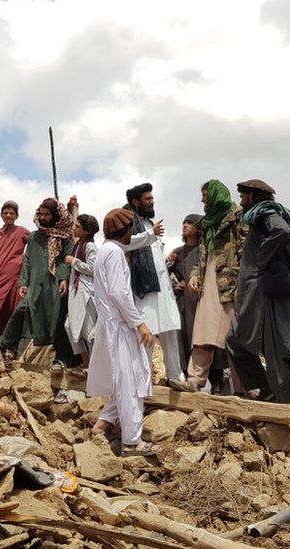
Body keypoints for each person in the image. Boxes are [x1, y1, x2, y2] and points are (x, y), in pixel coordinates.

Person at [225, 179, 290, 404]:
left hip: (268, 295)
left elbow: (282, 230)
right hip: (260, 294)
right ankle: (265, 389)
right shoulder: (260, 216)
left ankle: (285, 406)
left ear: (252, 197)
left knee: (276, 352)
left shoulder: (265, 212)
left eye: (243, 197)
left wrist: (261, 257)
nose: (241, 201)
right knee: (234, 339)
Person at [88, 208, 159, 457]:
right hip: (120, 325)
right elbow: (119, 292)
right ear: (126, 231)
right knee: (131, 382)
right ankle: (132, 441)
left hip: (113, 324)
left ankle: (103, 424)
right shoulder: (115, 253)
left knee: (124, 378)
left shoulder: (106, 251)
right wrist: (139, 323)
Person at [187, 180, 248, 394]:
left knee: (234, 338)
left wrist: (242, 282)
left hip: (231, 283)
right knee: (203, 334)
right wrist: (195, 275)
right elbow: (202, 256)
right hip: (210, 282)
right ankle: (194, 380)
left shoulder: (238, 217)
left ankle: (243, 388)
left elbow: (245, 250)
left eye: (205, 195)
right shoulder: (207, 223)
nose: (203, 199)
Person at [123, 183, 186, 388]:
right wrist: (150, 235)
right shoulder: (128, 221)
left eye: (152, 198)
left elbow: (155, 257)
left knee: (169, 331)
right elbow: (125, 243)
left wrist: (168, 261)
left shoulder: (149, 223)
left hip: (162, 289)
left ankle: (175, 377)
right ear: (136, 201)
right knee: (147, 334)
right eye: (147, 199)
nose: (151, 202)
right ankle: (144, 381)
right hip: (144, 289)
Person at [0, 199, 73, 364]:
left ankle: (60, 359)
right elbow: (28, 259)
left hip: (55, 283)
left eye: (47, 214)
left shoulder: (65, 236)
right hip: (36, 282)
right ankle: (2, 347)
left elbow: (66, 259)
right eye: (41, 214)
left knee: (57, 318)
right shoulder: (34, 236)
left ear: (55, 215)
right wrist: (23, 282)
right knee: (21, 311)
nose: (43, 217)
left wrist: (64, 278)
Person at [0, 201, 31, 335]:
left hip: (13, 277)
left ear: (16, 216)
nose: (8, 215)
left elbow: (36, 243)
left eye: (11, 213)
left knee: (11, 308)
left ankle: (9, 346)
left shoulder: (22, 231)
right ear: (1, 215)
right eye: (5, 213)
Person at [168, 213, 201, 380]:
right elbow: (163, 274)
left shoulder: (205, 250)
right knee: (183, 337)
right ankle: (187, 376)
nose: (185, 225)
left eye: (190, 223)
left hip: (201, 300)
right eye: (184, 222)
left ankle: (216, 380)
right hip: (182, 301)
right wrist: (175, 286)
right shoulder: (178, 253)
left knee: (201, 338)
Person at [64, 214, 99, 366]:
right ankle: (87, 362)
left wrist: (74, 262)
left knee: (88, 331)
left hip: (86, 292)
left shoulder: (90, 247)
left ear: (87, 231)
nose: (74, 228)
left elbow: (93, 268)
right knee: (70, 326)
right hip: (76, 292)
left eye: (78, 227)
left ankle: (95, 367)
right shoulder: (78, 245)